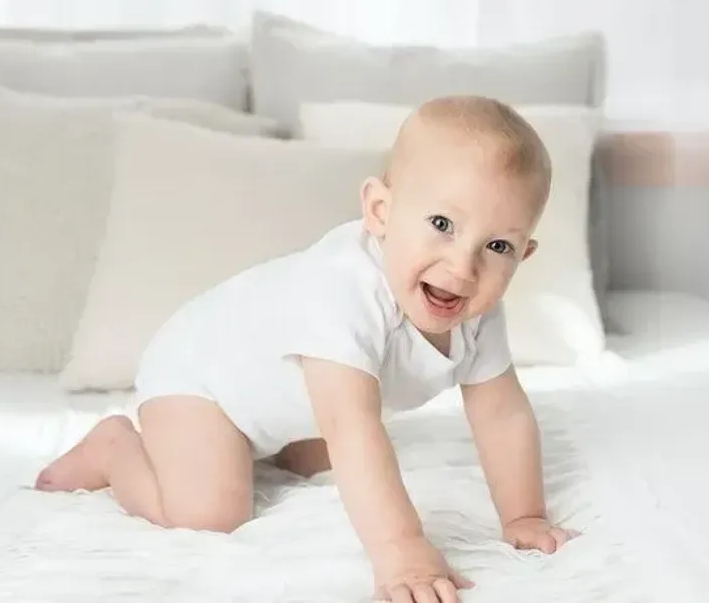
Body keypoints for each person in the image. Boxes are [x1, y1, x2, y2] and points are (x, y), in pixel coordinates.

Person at [35, 94, 578, 603]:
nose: (463, 266)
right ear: (381, 211)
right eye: (442, 224)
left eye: (497, 245)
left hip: (277, 394)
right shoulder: (343, 290)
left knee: (327, 455)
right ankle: (113, 448)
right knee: (209, 514)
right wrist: (402, 551)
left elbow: (502, 414)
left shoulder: (474, 309)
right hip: (200, 380)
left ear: (523, 255)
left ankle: (278, 443)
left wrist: (524, 515)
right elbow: (352, 430)